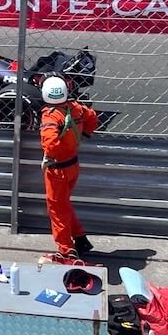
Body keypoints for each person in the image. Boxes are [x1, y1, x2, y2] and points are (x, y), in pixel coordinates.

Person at [39, 75, 99, 263]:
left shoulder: (50, 115)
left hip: (57, 170)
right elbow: (93, 118)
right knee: (63, 204)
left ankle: (66, 251)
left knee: (57, 210)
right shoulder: (76, 108)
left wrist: (56, 153)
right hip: (73, 165)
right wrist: (83, 135)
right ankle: (80, 238)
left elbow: (50, 144)